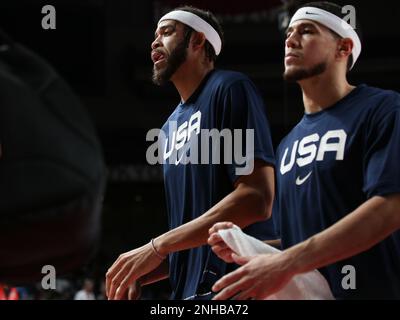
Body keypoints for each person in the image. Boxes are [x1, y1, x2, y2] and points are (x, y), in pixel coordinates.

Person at [208, 1, 400, 300]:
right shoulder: (285, 146)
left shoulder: (384, 109)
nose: (291, 40)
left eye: (307, 31)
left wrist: (285, 262)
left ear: (343, 48)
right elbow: (295, 243)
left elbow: (391, 208)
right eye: (289, 33)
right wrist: (248, 245)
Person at [105, 6, 276, 300]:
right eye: (155, 35)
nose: (154, 42)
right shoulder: (168, 127)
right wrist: (140, 272)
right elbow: (196, 239)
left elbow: (256, 199)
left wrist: (156, 246)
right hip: (188, 293)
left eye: (167, 32)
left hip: (237, 285)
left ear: (197, 41)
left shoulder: (229, 88)